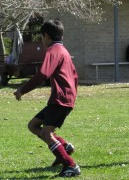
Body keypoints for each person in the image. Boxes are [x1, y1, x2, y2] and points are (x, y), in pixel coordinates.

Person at [13, 20, 81, 177]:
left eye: (41, 37)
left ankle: (71, 166)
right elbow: (74, 76)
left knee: (46, 134)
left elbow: (43, 74)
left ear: (46, 36)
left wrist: (22, 90)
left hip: (60, 98)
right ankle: (64, 147)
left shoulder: (53, 50)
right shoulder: (63, 50)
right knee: (33, 125)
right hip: (63, 98)